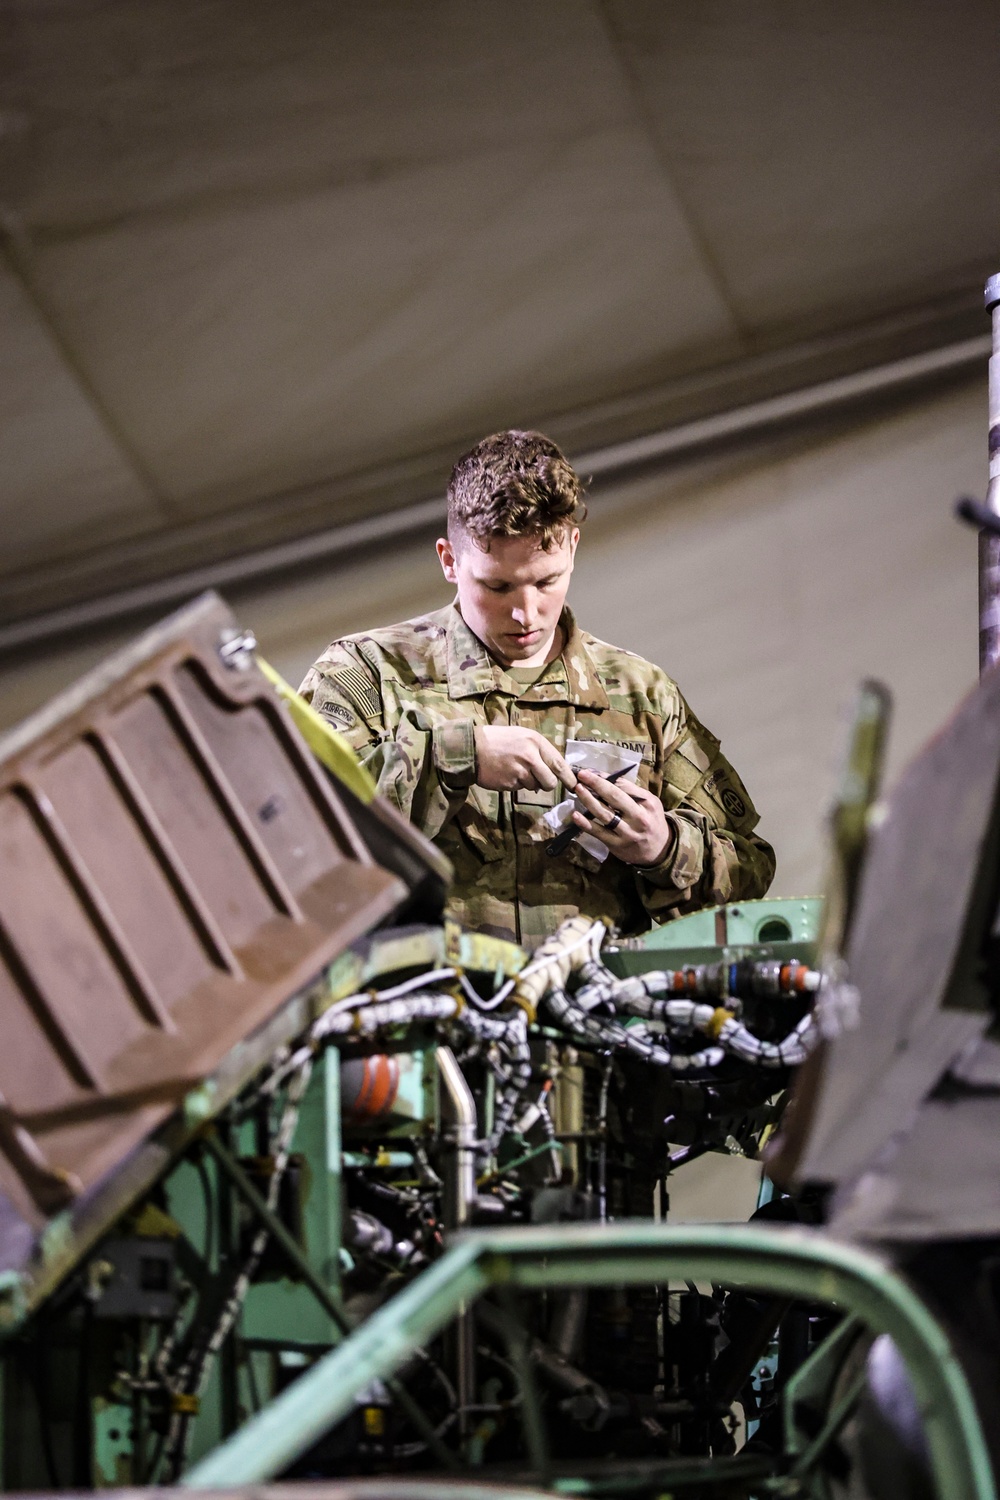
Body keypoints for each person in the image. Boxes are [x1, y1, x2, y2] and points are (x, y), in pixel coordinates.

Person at [299, 430, 775, 948]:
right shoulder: (367, 674)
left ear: (572, 546)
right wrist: (455, 757)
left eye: (547, 581)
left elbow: (750, 876)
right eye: (497, 586)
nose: (525, 612)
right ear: (449, 560)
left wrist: (663, 847)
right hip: (429, 1012)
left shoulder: (642, 696)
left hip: (599, 1017)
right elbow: (296, 846)